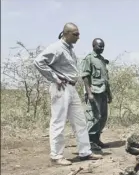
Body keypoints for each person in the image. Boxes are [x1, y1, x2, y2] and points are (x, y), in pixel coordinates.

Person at [33, 22, 102, 166]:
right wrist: (55, 77)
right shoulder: (56, 47)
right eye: (75, 34)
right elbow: (38, 62)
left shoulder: (69, 49)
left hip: (71, 87)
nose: (78, 37)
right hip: (61, 87)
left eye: (79, 34)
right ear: (66, 34)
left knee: (80, 120)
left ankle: (85, 152)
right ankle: (56, 156)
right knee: (58, 121)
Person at [80, 38, 112, 150]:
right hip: (94, 92)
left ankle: (96, 140)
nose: (102, 48)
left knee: (103, 117)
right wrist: (89, 93)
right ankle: (89, 142)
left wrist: (109, 94)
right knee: (93, 118)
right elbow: (85, 76)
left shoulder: (102, 60)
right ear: (93, 46)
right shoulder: (89, 58)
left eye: (103, 46)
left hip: (103, 92)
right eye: (99, 46)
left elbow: (105, 80)